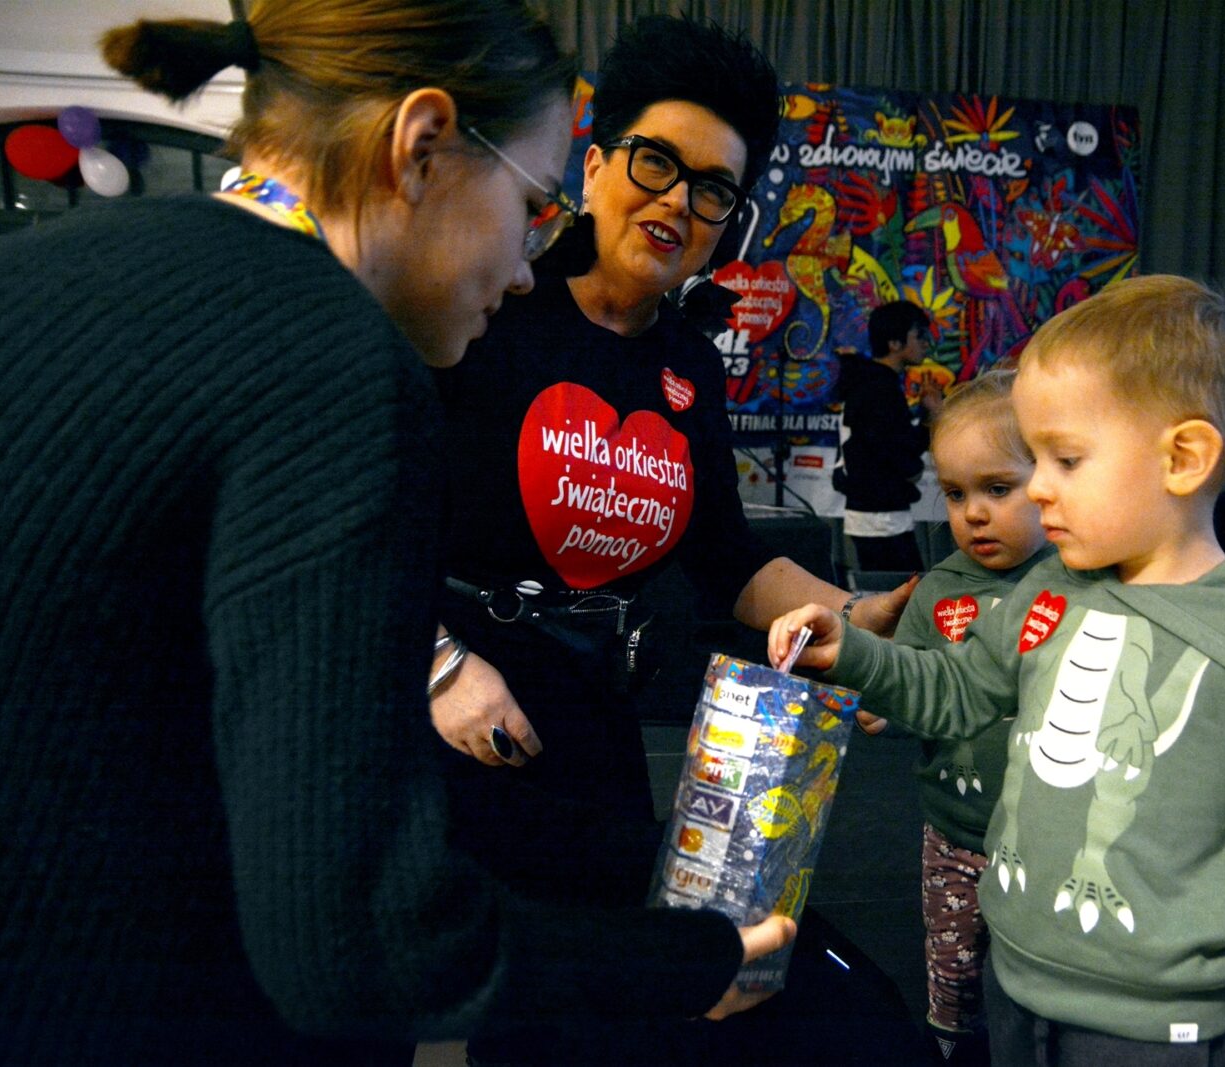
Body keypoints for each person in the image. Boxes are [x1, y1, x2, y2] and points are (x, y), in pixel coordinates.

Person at [0, 5, 794, 1065]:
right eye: (529, 204)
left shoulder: (50, 270)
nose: (524, 266)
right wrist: (689, 962)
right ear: (421, 146)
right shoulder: (340, 366)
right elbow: (357, 939)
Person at [427, 13, 915, 1065]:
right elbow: (368, 515)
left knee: (608, 1013)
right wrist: (440, 667)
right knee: (511, 998)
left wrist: (854, 617)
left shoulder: (687, 364)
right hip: (461, 724)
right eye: (656, 162)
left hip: (595, 723)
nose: (677, 203)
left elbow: (725, 553)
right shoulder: (493, 307)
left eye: (712, 189)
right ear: (595, 164)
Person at [772, 275, 1225, 1067]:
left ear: (1184, 458)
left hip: (1153, 1032)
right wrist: (854, 650)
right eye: (1036, 459)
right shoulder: (1051, 590)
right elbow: (958, 689)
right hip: (1014, 983)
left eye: (1066, 459)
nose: (1038, 486)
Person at [889, 369, 1051, 1066]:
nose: (973, 513)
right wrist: (881, 707)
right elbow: (905, 679)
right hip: (953, 832)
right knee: (953, 976)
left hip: (1048, 839)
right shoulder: (939, 588)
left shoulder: (1078, 583)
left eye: (998, 489)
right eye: (955, 494)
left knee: (1036, 987)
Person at [834, 300, 941, 573]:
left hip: (874, 511)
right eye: (919, 335)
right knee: (902, 590)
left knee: (895, 588)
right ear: (894, 343)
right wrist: (930, 417)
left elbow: (888, 442)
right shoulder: (879, 389)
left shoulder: (870, 382)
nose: (926, 343)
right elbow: (897, 453)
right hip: (881, 516)